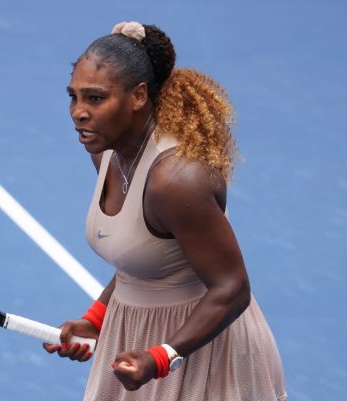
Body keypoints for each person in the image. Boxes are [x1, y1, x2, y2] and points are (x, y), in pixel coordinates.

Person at [43, 22, 287, 401]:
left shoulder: (175, 182)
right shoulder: (105, 153)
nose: (78, 112)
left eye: (94, 99)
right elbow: (139, 259)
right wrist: (95, 320)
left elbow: (232, 288)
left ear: (138, 96)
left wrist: (162, 356)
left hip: (202, 350)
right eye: (73, 97)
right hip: (134, 341)